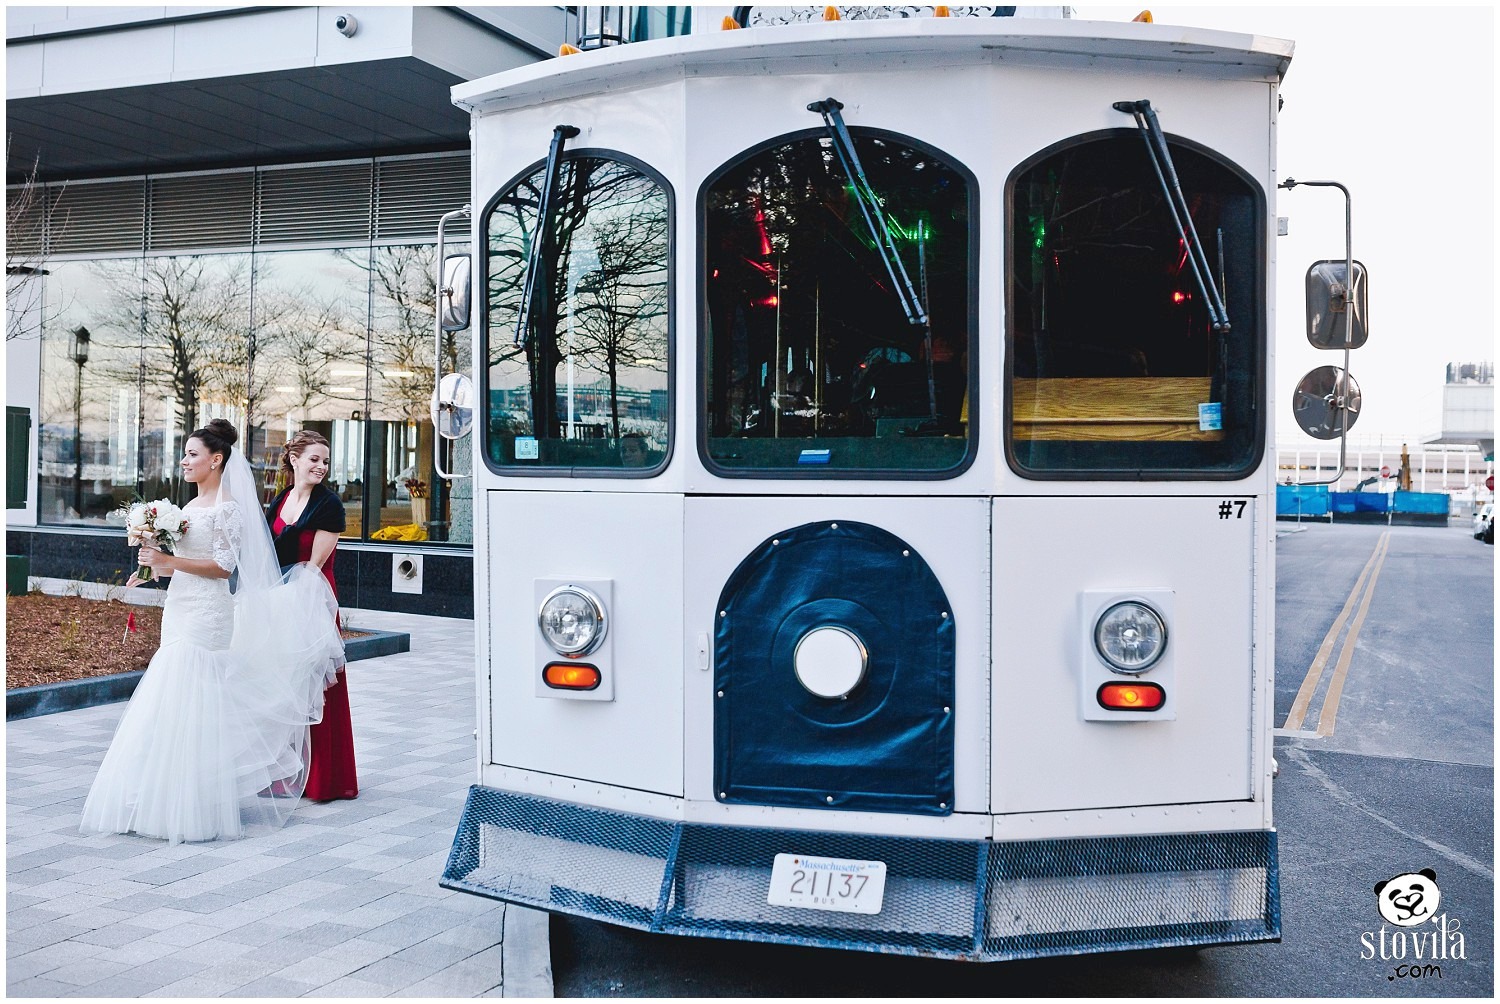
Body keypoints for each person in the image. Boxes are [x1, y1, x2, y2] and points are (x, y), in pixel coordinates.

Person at [80, 419, 344, 844]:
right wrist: (150, 570)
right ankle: (158, 795)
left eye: (192, 455)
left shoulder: (229, 506)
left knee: (192, 696)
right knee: (171, 698)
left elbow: (223, 568)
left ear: (216, 460)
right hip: (180, 606)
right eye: (185, 454)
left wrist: (170, 564)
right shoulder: (188, 506)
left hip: (208, 613)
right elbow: (185, 556)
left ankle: (194, 802)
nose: (184, 461)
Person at [266, 430, 358, 801]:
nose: (320, 466)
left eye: (325, 461)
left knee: (320, 683)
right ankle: (286, 771)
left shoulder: (329, 505)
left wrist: (292, 603)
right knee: (284, 683)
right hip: (280, 600)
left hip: (313, 600)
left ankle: (325, 778)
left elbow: (315, 565)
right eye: (314, 459)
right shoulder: (279, 501)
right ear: (294, 460)